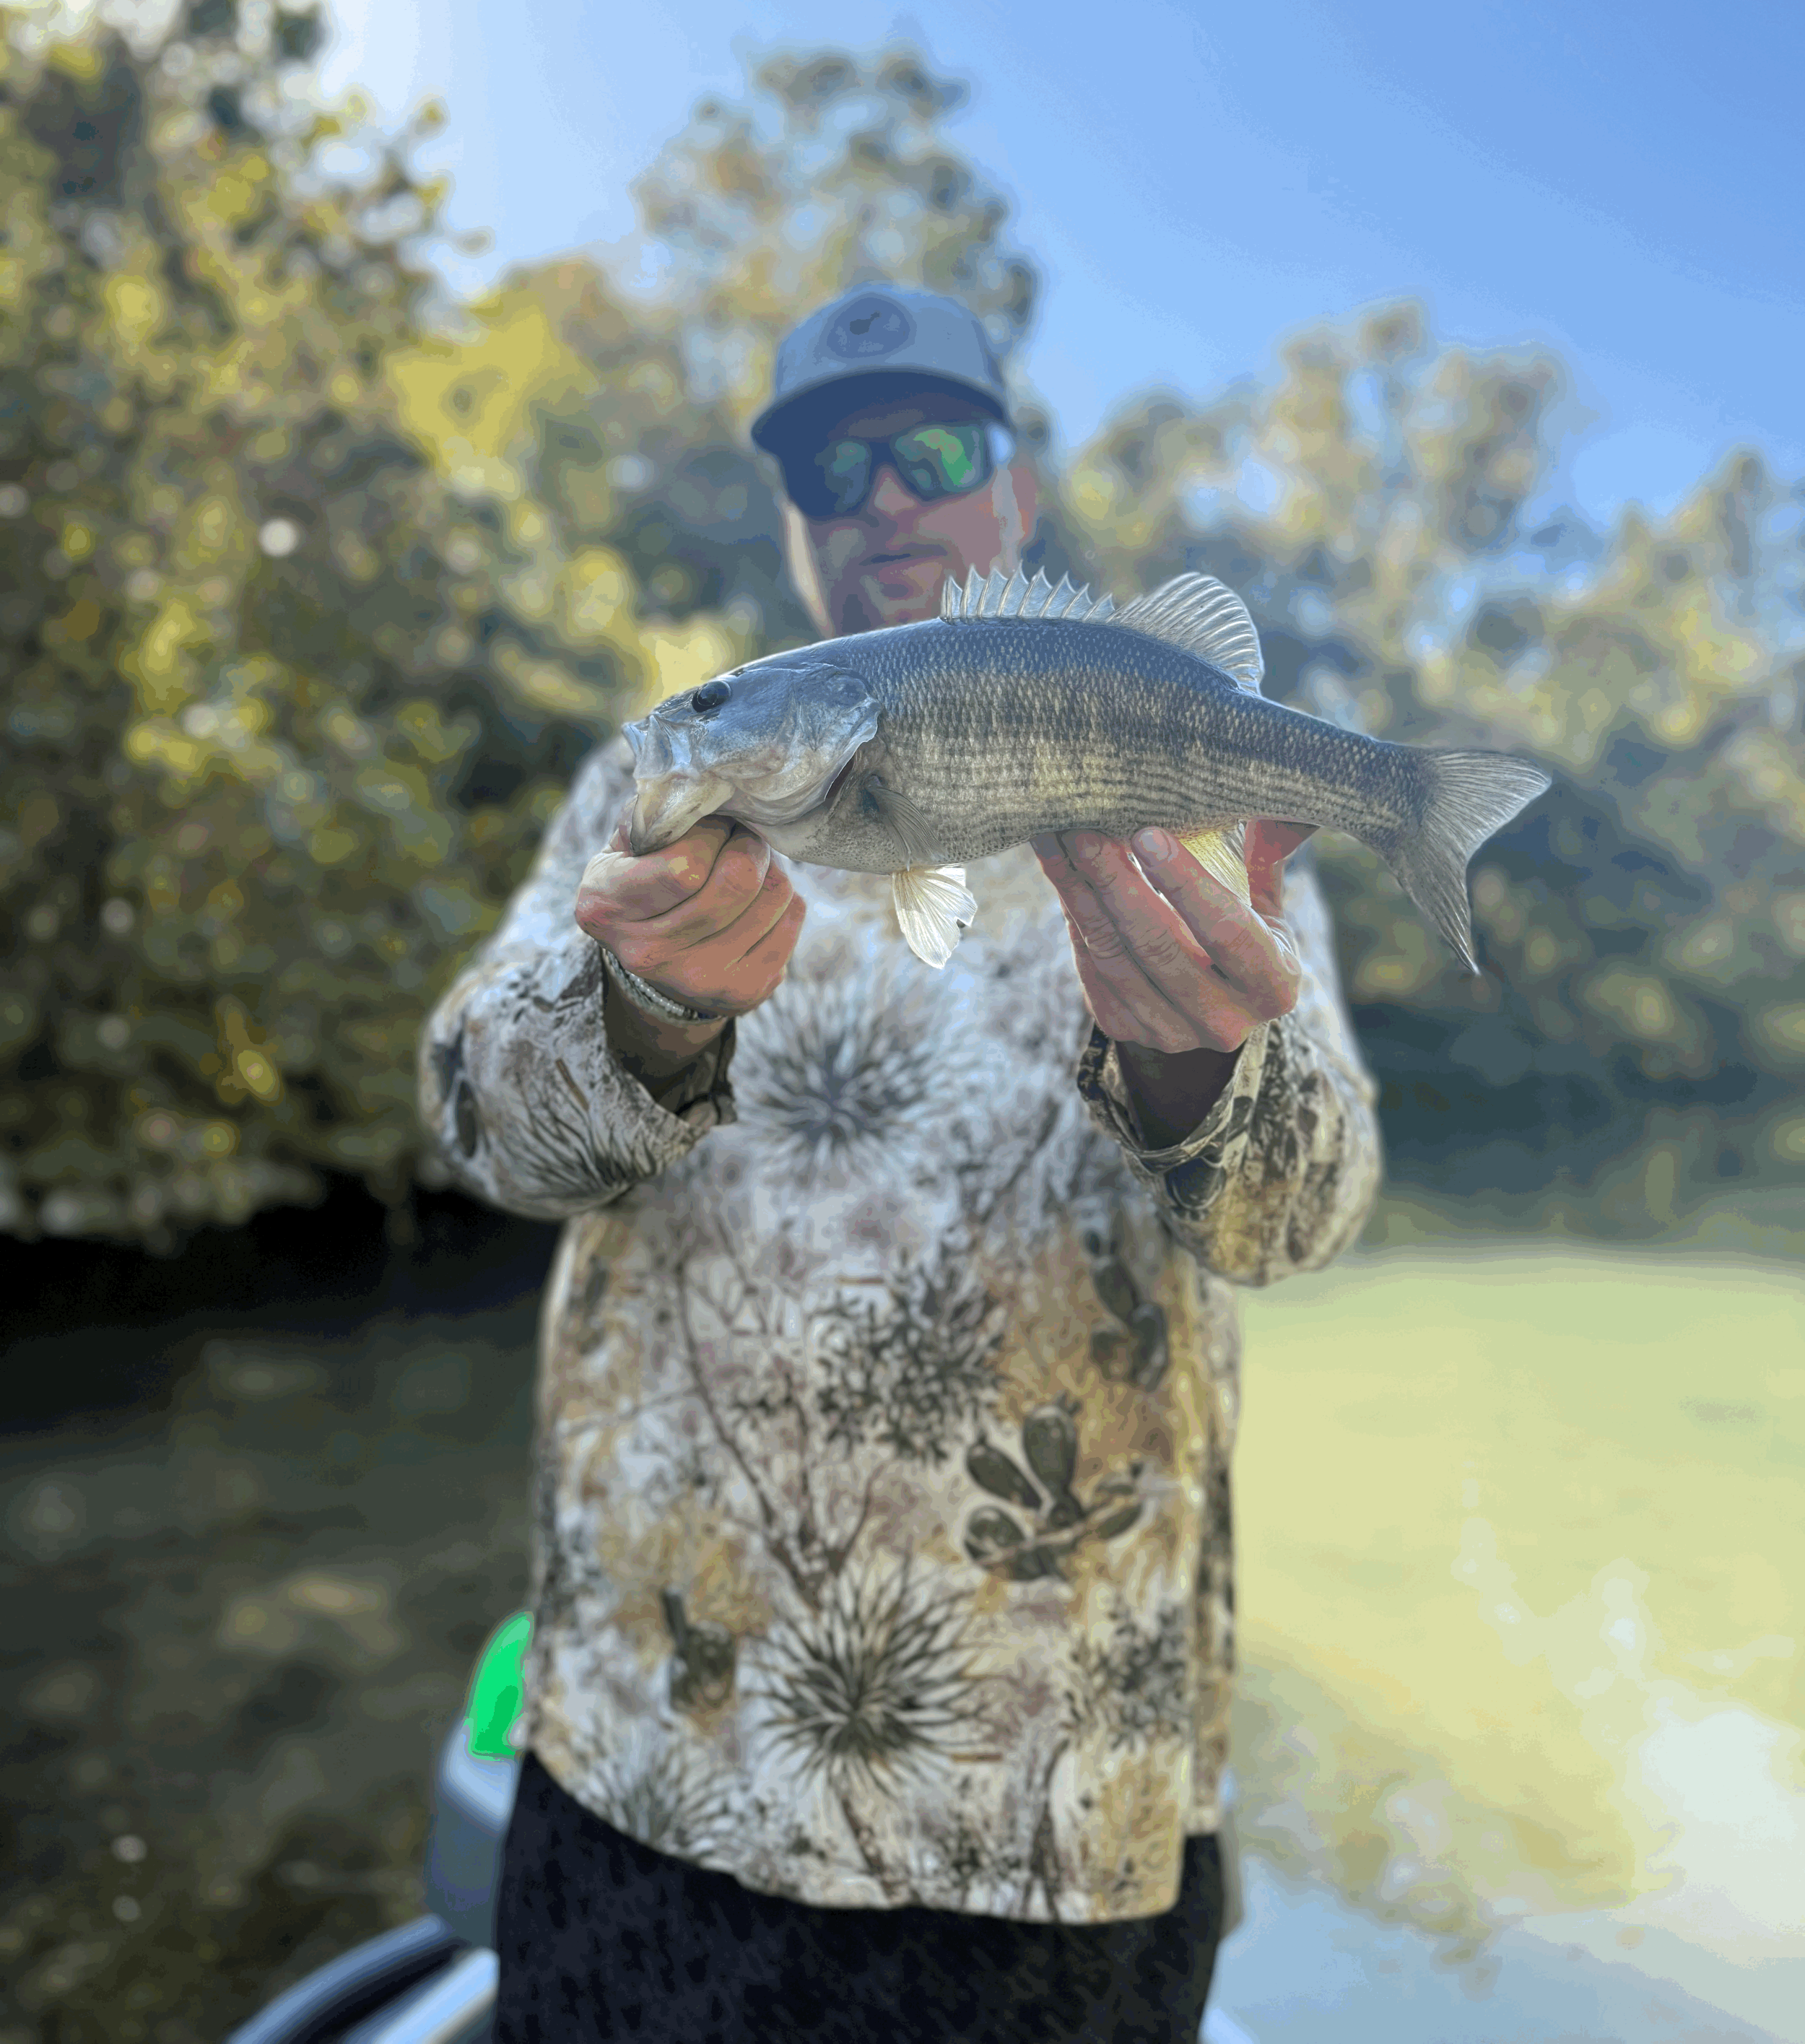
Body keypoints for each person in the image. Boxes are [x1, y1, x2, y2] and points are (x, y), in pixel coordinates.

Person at [419, 282, 1383, 2043]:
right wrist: (630, 1013)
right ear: (796, 529)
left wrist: (1200, 1069)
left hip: (1048, 1801)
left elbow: (1300, 1212)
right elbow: (480, 1122)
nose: (883, 500)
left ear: (1011, 493)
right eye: (830, 470)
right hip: (652, 1756)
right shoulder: (654, 785)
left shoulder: (1201, 809)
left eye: (932, 451)